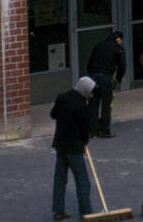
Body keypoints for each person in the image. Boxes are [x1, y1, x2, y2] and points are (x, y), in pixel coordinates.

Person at [50, 76, 95, 220]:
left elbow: (53, 114)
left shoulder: (62, 97)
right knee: (82, 180)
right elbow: (85, 129)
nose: (91, 95)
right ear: (85, 91)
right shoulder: (82, 105)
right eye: (90, 92)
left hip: (60, 145)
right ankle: (86, 212)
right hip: (74, 147)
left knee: (60, 178)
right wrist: (84, 141)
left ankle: (58, 211)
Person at [86, 30, 125, 138]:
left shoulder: (98, 45)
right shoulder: (118, 48)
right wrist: (117, 79)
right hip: (105, 78)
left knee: (93, 104)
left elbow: (90, 62)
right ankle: (104, 130)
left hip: (93, 77)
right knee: (106, 105)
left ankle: (92, 131)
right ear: (118, 39)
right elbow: (122, 66)